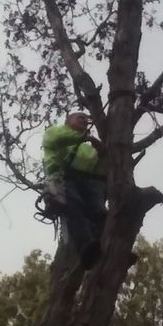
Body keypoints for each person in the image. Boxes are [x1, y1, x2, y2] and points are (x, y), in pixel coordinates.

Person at [42, 112, 107, 270]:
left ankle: (109, 247)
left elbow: (101, 155)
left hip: (87, 181)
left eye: (87, 119)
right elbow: (59, 139)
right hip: (63, 177)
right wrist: (83, 137)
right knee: (75, 207)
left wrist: (94, 142)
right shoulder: (54, 132)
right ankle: (86, 248)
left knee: (99, 212)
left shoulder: (86, 147)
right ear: (68, 120)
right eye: (80, 117)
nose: (85, 121)